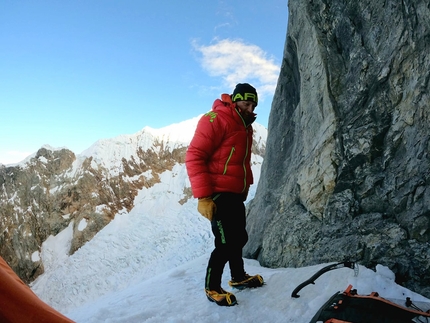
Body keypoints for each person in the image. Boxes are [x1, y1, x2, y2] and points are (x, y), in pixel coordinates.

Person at [185, 83, 264, 307]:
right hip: (218, 193)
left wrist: (245, 185)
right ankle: (212, 287)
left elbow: (240, 161)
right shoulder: (215, 119)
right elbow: (194, 156)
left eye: (253, 105)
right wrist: (203, 197)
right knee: (225, 243)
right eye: (246, 103)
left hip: (234, 193)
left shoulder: (244, 126)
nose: (250, 109)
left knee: (238, 238)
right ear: (235, 100)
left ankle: (238, 277)